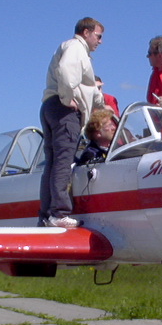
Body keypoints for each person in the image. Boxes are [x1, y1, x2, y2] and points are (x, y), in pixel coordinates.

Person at [39, 17, 104, 228]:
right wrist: (68, 99)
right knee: (63, 161)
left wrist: (102, 105)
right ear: (86, 32)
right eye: (98, 36)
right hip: (63, 110)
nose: (100, 41)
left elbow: (88, 89)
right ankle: (59, 213)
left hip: (50, 106)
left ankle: (47, 215)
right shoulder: (76, 48)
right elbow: (66, 73)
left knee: (52, 163)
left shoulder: (72, 49)